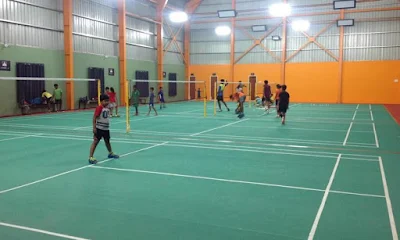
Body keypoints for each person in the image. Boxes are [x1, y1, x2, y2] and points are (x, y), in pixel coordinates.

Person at [88, 94, 119, 164]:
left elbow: (115, 105)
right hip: (99, 128)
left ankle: (110, 153)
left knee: (107, 141)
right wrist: (94, 127)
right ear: (101, 101)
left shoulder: (107, 107)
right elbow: (94, 117)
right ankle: (90, 157)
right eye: (105, 101)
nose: (107, 102)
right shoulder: (99, 108)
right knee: (95, 142)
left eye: (108, 101)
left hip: (106, 129)